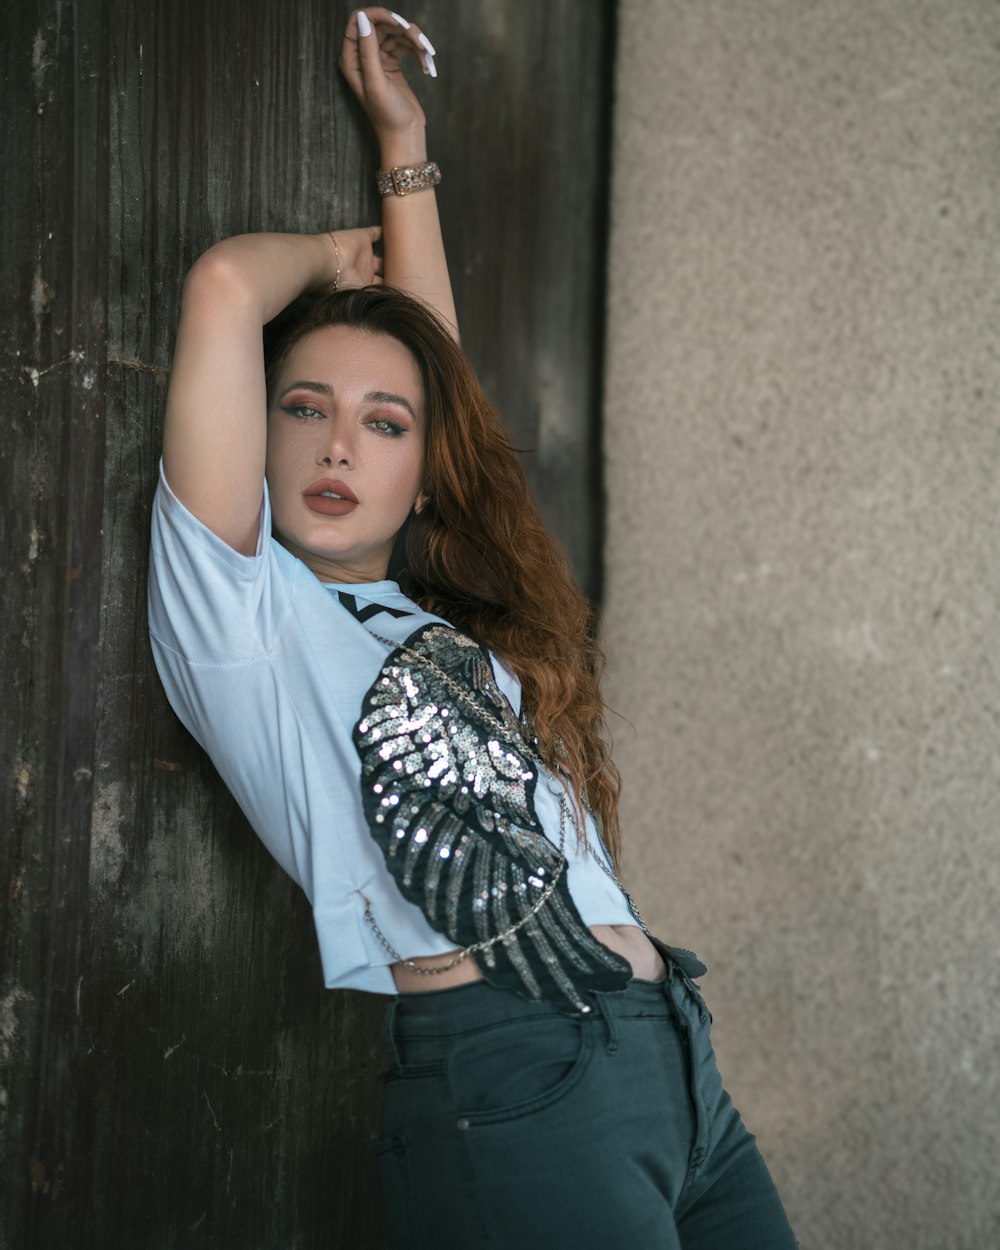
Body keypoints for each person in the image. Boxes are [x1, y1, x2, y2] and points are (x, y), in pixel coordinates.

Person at [148, 8, 798, 1247]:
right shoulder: (241, 609)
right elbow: (226, 287)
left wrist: (407, 145)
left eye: (384, 425)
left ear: (425, 469)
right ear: (263, 431)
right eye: (305, 408)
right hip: (515, 1083)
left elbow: (432, 369)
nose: (342, 442)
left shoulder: (435, 610)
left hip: (673, 1067)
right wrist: (343, 260)